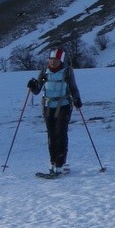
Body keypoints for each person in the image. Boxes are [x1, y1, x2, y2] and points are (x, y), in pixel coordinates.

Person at [26, 47, 82, 175]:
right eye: (51, 59)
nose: (52, 61)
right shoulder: (44, 72)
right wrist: (32, 86)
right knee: (51, 135)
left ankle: (60, 164)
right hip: (48, 106)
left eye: (55, 59)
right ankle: (53, 162)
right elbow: (37, 90)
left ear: (60, 60)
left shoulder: (67, 72)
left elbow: (73, 88)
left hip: (64, 106)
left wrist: (77, 99)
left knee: (60, 133)